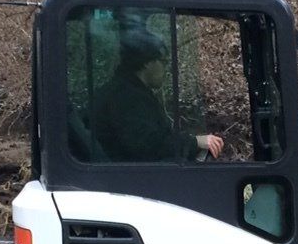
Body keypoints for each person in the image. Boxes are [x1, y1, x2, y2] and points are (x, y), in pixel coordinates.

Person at [92, 30, 223, 162]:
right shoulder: (126, 98)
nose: (166, 69)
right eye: (163, 61)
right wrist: (195, 142)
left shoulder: (130, 91)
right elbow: (151, 147)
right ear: (147, 62)